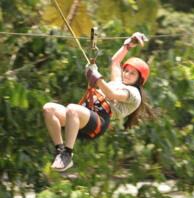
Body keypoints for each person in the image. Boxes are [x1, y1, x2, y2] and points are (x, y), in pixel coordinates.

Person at [43, 32, 157, 172]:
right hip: (84, 115)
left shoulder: (134, 94)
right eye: (126, 71)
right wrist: (128, 45)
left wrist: (97, 77)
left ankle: (68, 154)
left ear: (139, 79)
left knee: (72, 108)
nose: (126, 74)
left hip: (99, 120)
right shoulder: (117, 82)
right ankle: (60, 151)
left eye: (132, 73)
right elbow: (115, 62)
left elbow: (111, 94)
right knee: (49, 109)